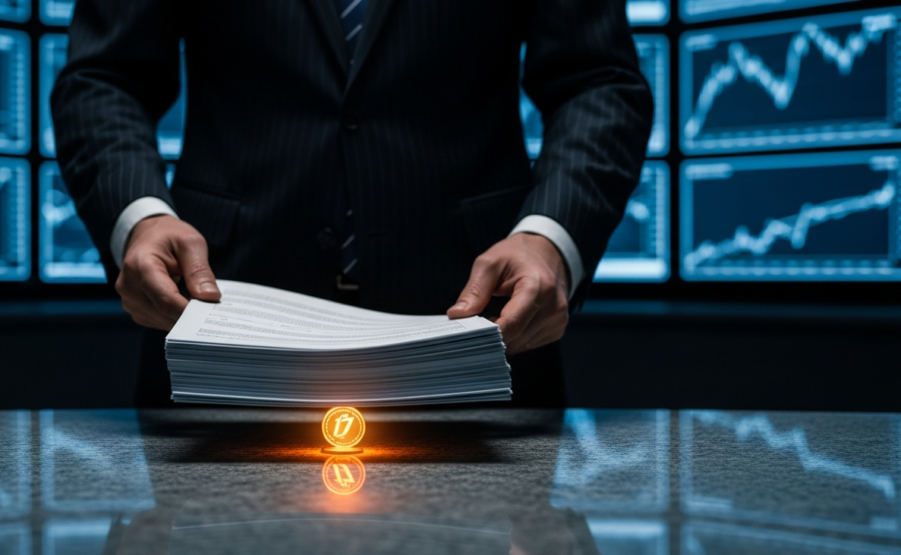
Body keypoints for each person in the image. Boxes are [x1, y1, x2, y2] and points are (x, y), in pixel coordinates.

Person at [52, 0, 653, 408]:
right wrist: (140, 216)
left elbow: (596, 79)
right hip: (219, 338)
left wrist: (550, 238)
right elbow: (105, 77)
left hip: (480, 335)